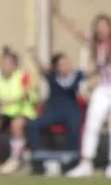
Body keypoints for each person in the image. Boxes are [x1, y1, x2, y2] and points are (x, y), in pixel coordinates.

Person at [55, 3, 111, 178]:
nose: (101, 29)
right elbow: (76, 31)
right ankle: (86, 162)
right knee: (91, 122)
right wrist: (59, 14)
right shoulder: (95, 45)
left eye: (104, 25)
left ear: (109, 27)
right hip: (104, 86)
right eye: (98, 26)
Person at [25, 48, 84, 176]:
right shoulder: (52, 77)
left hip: (70, 110)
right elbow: (42, 69)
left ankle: (73, 162)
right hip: (53, 110)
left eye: (67, 63)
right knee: (33, 125)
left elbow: (93, 72)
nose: (65, 66)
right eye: (62, 64)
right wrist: (35, 56)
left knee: (75, 126)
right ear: (56, 67)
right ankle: (39, 157)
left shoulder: (76, 76)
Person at [0, 47, 35, 174]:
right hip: (4, 114)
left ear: (14, 65)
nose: (4, 66)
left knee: (17, 125)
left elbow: (26, 94)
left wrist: (9, 101)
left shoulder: (22, 75)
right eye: (2, 63)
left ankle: (15, 160)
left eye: (7, 63)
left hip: (22, 113)